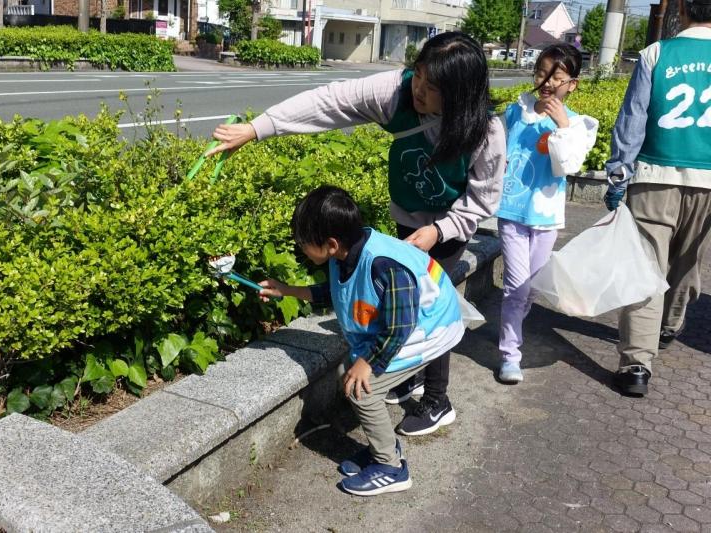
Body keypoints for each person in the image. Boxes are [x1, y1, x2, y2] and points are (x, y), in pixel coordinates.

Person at [207, 32, 505, 436]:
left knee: (429, 304)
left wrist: (439, 231)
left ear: (460, 94)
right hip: (408, 213)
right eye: (418, 75)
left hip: (450, 224)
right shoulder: (396, 92)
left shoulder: (484, 131)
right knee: (395, 295)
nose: (419, 90)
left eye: (433, 88)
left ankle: (437, 399)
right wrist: (258, 128)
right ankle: (406, 374)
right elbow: (330, 101)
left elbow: (482, 201)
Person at [258, 185, 464, 496]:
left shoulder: (384, 264)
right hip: (403, 325)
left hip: (429, 328)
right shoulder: (344, 252)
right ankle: (383, 445)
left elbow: (401, 325)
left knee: (362, 391)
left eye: (303, 243)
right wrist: (285, 290)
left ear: (330, 243)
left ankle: (391, 466)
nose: (300, 247)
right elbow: (336, 290)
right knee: (349, 375)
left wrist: (368, 363)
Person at [604, 0, 711, 396]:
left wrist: (618, 174)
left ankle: (636, 365)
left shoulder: (657, 53)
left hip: (655, 175)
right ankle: (668, 327)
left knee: (646, 266)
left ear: (680, 10)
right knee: (687, 262)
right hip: (709, 180)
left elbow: (633, 118)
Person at [494, 44, 598, 383]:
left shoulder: (579, 125)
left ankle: (514, 325)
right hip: (511, 212)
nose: (548, 83)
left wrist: (562, 126)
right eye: (541, 74)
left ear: (573, 84)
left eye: (557, 77)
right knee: (516, 288)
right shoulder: (514, 113)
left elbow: (566, 165)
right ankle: (510, 354)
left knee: (531, 288)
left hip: (546, 218)